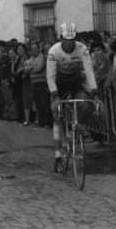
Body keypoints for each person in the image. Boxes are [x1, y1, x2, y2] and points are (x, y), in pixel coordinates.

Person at [46, 22, 102, 173]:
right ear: (61, 38)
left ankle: (76, 129)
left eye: (72, 39)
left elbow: (89, 72)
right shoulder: (53, 51)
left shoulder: (82, 49)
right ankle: (58, 155)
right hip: (59, 83)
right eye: (66, 39)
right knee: (57, 114)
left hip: (76, 81)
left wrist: (95, 93)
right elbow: (50, 77)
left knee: (85, 104)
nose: (69, 42)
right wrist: (55, 96)